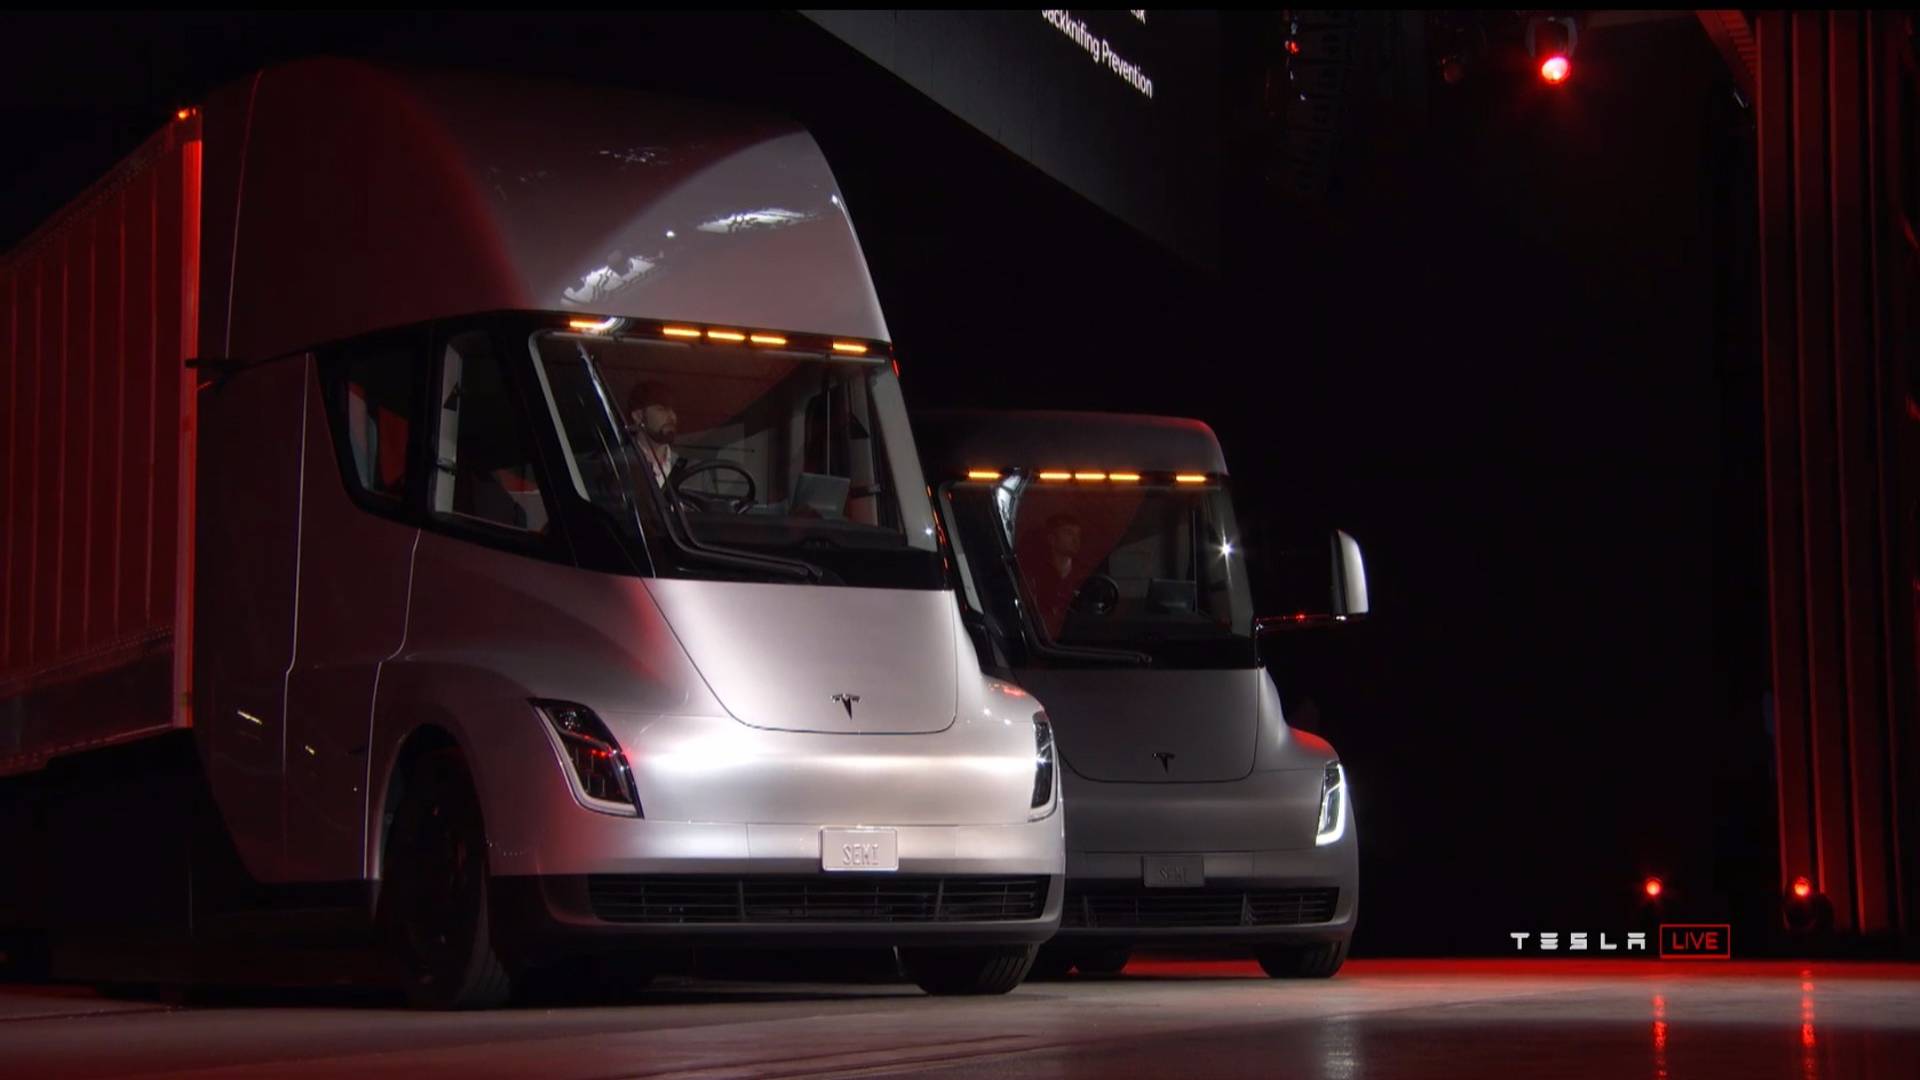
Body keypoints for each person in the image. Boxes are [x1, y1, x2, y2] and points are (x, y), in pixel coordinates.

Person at [626, 379, 680, 489]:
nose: (672, 417)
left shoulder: (689, 466)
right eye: (662, 409)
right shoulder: (618, 464)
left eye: (673, 410)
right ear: (638, 416)